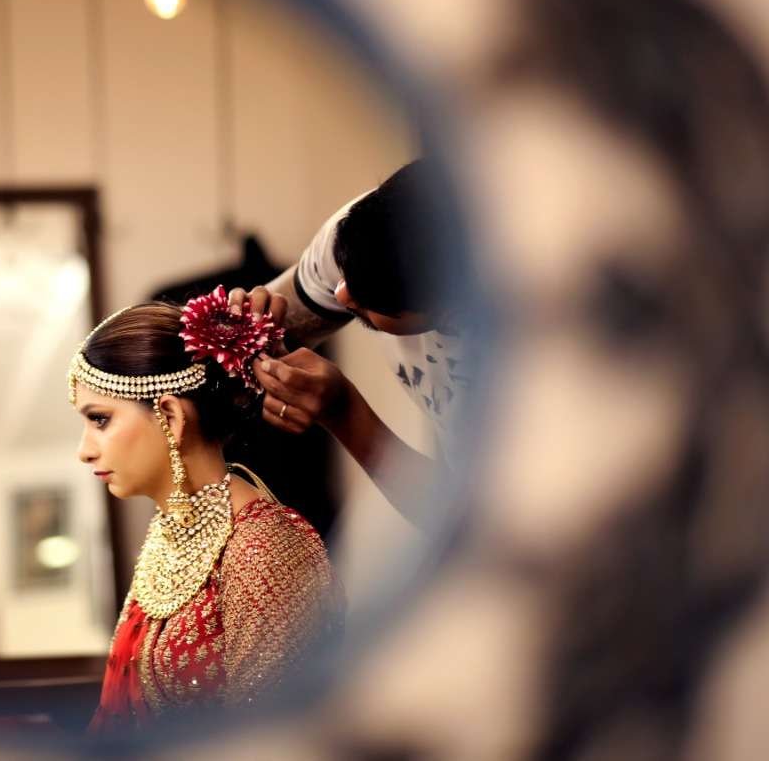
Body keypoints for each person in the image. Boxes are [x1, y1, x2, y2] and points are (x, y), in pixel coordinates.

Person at [69, 293, 344, 735]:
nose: (84, 450)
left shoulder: (263, 548)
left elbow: (269, 740)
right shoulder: (171, 530)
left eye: (99, 419)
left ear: (171, 417)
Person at [228, 160, 471, 525]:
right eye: (342, 273)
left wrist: (345, 413)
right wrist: (242, 327)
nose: (341, 295)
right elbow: (269, 324)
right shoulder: (363, 233)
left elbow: (465, 525)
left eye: (371, 301)